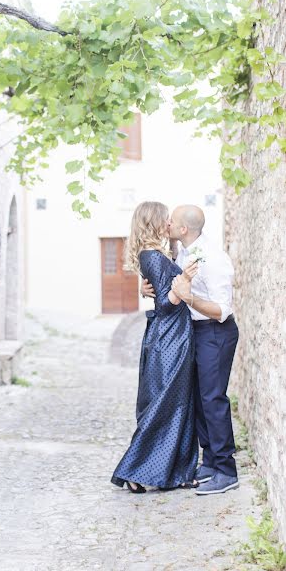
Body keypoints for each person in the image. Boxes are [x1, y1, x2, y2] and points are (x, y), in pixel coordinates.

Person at [141, 205, 240, 495]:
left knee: (212, 399)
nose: (166, 222)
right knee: (198, 399)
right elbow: (167, 282)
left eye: (171, 220)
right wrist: (147, 289)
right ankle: (209, 461)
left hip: (215, 332)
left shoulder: (215, 259)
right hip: (193, 332)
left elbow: (222, 310)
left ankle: (226, 469)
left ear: (183, 229)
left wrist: (189, 298)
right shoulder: (181, 251)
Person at [111, 201, 199, 494]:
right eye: (166, 218)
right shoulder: (153, 257)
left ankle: (176, 472)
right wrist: (182, 282)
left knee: (179, 405)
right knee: (166, 405)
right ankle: (133, 470)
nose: (169, 223)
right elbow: (164, 304)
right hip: (170, 338)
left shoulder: (155, 255)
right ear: (155, 222)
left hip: (173, 336)